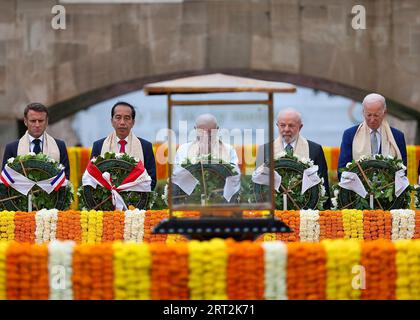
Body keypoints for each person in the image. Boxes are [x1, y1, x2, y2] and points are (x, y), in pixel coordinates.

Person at [256, 108, 331, 208]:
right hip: (274, 211)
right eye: (282, 125)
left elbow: (323, 186)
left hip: (306, 211)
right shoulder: (264, 150)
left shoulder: (314, 150)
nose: (286, 129)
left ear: (300, 127)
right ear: (277, 126)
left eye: (291, 125)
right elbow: (257, 186)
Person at [337, 93, 407, 177]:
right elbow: (342, 170)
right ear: (363, 112)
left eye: (376, 115)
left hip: (389, 187)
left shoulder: (397, 136)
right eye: (369, 115)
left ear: (384, 113)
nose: (372, 119)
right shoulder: (350, 135)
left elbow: (403, 171)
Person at [90, 101, 157, 190]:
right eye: (118, 117)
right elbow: (92, 177)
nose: (122, 122)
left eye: (127, 118)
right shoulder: (99, 145)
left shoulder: (145, 146)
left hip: (135, 202)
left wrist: (135, 197)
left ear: (133, 122)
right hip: (107, 201)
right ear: (112, 121)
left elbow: (152, 179)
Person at [2, 103, 70, 179]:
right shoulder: (12, 148)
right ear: (25, 121)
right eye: (33, 121)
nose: (37, 125)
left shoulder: (60, 146)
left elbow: (66, 178)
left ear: (46, 122)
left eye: (41, 121)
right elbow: (6, 179)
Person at [174, 113, 239, 171]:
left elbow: (234, 175)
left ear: (217, 129)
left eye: (210, 132)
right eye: (202, 131)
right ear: (195, 129)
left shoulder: (229, 150)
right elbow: (178, 176)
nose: (206, 136)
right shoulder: (184, 149)